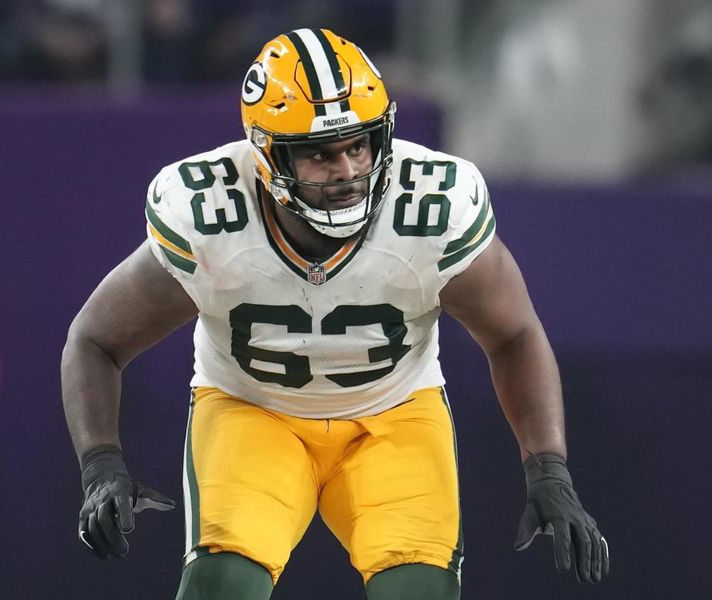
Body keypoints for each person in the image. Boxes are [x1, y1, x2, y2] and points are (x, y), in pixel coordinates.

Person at [62, 28, 609, 599]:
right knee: (222, 585)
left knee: (416, 591)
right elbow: (95, 340)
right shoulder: (211, 216)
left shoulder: (432, 206)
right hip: (254, 410)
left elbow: (514, 334)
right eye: (320, 154)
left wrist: (548, 466)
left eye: (359, 145)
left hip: (395, 413)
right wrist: (100, 463)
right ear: (267, 152)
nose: (348, 169)